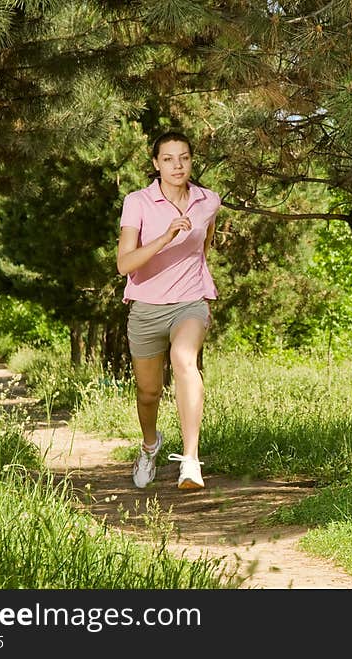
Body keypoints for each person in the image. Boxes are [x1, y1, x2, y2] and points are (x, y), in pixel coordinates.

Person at [116, 129, 220, 490]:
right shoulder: (138, 202)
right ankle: (149, 446)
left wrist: (194, 279)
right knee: (148, 393)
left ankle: (191, 461)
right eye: (168, 159)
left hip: (190, 301)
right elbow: (124, 264)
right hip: (146, 307)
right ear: (155, 164)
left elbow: (204, 246)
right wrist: (165, 238)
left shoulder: (209, 200)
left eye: (184, 157)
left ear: (192, 160)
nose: (177, 165)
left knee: (184, 358)